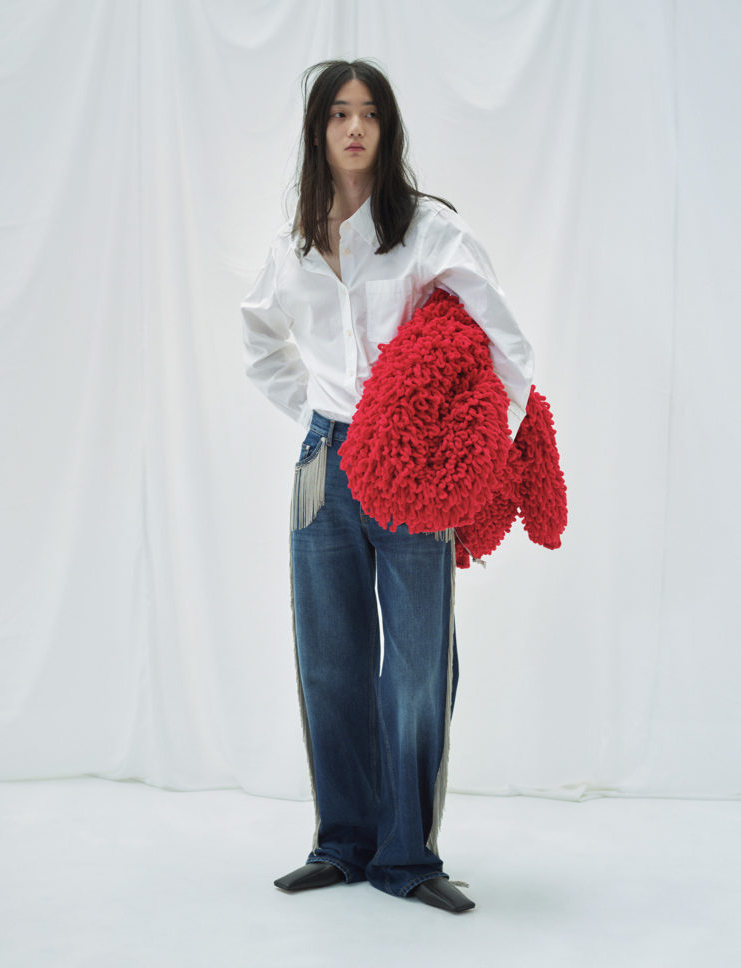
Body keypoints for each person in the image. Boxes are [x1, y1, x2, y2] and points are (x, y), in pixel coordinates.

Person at [241, 59, 534, 914]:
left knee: (415, 665)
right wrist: (316, 413)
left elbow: (508, 345)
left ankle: (407, 856)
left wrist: (476, 452)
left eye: (369, 113)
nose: (354, 128)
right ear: (319, 131)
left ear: (388, 127)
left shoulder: (429, 230)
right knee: (329, 659)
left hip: (415, 464)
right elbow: (259, 341)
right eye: (339, 113)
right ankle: (343, 844)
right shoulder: (295, 242)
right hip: (324, 461)